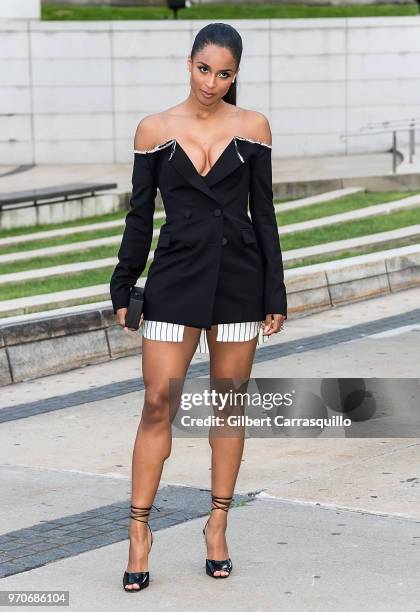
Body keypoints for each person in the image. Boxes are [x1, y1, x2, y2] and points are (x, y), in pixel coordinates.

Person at [109, 22, 287, 592]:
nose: (212, 82)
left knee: (228, 407)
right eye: (204, 69)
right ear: (189, 63)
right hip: (175, 279)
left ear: (237, 74)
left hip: (240, 280)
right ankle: (140, 531)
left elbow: (265, 216)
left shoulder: (253, 127)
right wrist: (124, 285)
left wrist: (274, 293)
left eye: (225, 73)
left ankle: (217, 525)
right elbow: (140, 216)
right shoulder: (154, 130)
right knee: (158, 401)